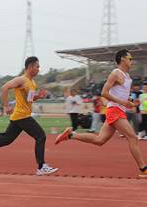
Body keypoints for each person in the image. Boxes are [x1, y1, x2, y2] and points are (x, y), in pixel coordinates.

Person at [56, 49, 147, 178]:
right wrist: (121, 102)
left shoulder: (127, 77)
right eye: (130, 59)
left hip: (118, 110)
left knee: (100, 140)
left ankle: (71, 135)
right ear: (122, 59)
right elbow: (104, 92)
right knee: (132, 137)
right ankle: (144, 169)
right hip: (114, 111)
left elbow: (120, 95)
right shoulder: (116, 74)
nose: (132, 61)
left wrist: (129, 103)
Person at [0, 56, 58, 176]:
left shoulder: (32, 82)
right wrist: (6, 106)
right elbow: (4, 88)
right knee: (40, 136)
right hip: (22, 116)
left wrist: (38, 96)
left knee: (6, 139)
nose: (38, 69)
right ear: (30, 67)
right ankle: (41, 166)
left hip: (20, 116)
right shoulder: (21, 80)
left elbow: (29, 99)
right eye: (37, 67)